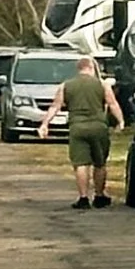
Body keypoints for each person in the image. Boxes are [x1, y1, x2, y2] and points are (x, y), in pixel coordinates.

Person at [50, 52, 123, 210]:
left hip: (77, 128)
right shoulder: (103, 85)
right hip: (99, 127)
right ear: (91, 68)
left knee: (81, 164)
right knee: (100, 163)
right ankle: (99, 195)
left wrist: (44, 124)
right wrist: (121, 121)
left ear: (79, 69)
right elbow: (112, 104)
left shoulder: (66, 85)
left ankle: (83, 198)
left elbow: (55, 106)